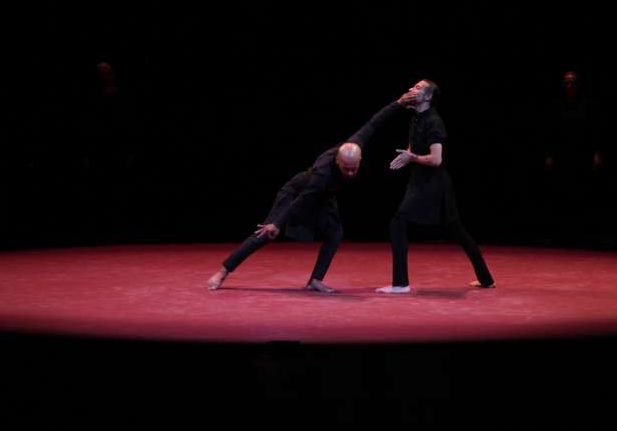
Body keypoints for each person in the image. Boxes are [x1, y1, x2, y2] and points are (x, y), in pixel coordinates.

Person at [207, 92, 415, 293]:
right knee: (266, 233)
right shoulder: (322, 173)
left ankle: (315, 280)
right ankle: (223, 271)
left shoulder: (355, 143)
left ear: (359, 159)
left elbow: (374, 122)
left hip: (324, 196)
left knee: (335, 234)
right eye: (346, 169)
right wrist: (277, 223)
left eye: (355, 168)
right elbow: (302, 199)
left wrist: (398, 103)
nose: (351, 173)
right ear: (337, 162)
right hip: (296, 192)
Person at [377, 79, 495, 294]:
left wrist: (412, 157)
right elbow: (415, 145)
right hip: (422, 180)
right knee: (456, 231)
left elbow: (436, 159)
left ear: (429, 97)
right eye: (413, 86)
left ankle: (401, 284)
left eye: (419, 88)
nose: (413, 89)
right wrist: (408, 155)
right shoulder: (416, 117)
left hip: (433, 183)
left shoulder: (433, 120)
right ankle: (486, 279)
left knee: (398, 224)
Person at [539, 70, 603, 243]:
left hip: (581, 155)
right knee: (560, 192)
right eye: (566, 82)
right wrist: (548, 154)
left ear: (577, 85)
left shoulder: (587, 106)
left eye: (572, 82)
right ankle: (560, 233)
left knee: (580, 192)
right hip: (561, 156)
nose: (569, 86)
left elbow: (595, 132)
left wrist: (596, 153)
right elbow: (548, 132)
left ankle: (580, 234)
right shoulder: (556, 106)